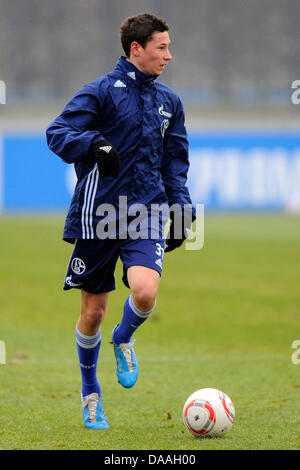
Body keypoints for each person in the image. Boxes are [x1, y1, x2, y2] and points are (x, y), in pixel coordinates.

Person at [46, 13, 195, 429]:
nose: (169, 55)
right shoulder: (100, 92)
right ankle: (90, 392)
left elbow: (174, 163)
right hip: (99, 215)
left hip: (147, 211)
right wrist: (94, 143)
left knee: (145, 292)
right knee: (92, 313)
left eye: (168, 46)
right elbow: (57, 132)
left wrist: (181, 208)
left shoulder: (170, 102)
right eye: (161, 48)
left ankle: (123, 337)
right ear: (136, 50)